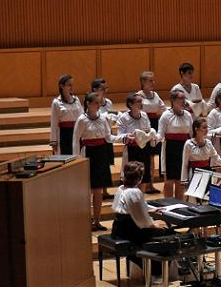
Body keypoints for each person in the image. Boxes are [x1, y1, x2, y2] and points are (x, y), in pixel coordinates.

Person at [111, 161, 173, 282]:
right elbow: (141, 219)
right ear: (139, 179)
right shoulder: (134, 192)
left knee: (163, 232)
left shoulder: (121, 189)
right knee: (168, 234)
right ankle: (157, 273)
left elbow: (134, 209)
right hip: (131, 232)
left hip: (119, 228)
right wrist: (152, 225)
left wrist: (152, 210)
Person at [73, 91, 124, 230]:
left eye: (99, 103)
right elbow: (75, 141)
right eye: (95, 103)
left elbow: (109, 138)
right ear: (88, 104)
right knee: (87, 191)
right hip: (88, 155)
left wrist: (123, 138)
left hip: (101, 154)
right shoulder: (82, 120)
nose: (98, 105)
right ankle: (86, 221)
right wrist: (77, 160)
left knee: (98, 191)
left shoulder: (103, 118)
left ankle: (97, 220)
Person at [118, 93, 160, 195]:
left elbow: (148, 129)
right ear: (130, 104)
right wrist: (128, 136)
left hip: (144, 149)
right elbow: (120, 136)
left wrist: (151, 134)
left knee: (144, 179)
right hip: (131, 150)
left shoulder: (144, 115)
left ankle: (140, 202)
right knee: (130, 180)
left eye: (142, 101)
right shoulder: (124, 117)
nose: (142, 103)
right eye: (139, 101)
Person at [159, 89, 195, 200]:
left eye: (184, 98)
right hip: (170, 149)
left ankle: (179, 207)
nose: (183, 100)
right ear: (173, 100)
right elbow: (160, 134)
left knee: (181, 181)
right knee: (169, 181)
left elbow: (192, 133)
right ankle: (168, 207)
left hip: (184, 149)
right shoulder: (165, 115)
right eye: (180, 98)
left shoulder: (188, 115)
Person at [49, 74, 81, 155]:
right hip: (63, 134)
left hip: (76, 132)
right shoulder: (56, 102)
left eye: (72, 85)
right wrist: (54, 141)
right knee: (65, 156)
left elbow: (81, 117)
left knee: (77, 156)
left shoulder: (76, 99)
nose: (71, 87)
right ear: (61, 86)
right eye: (69, 85)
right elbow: (54, 123)